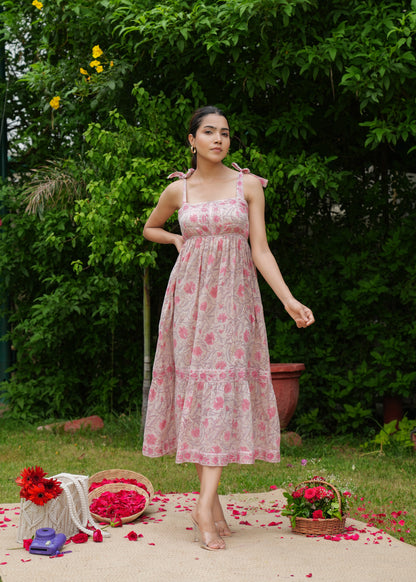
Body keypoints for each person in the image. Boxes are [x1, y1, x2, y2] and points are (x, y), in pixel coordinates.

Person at [142, 106, 314, 550]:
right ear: (192, 140)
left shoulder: (249, 186)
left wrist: (288, 298)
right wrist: (177, 239)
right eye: (209, 132)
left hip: (234, 303)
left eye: (225, 133)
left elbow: (261, 250)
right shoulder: (177, 190)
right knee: (198, 392)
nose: (218, 139)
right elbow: (150, 227)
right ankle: (208, 505)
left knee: (218, 389)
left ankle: (205, 503)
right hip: (188, 302)